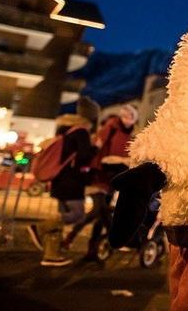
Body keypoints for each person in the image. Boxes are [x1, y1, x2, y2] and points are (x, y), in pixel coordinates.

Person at [27, 96, 98, 266]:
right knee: (77, 215)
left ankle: (51, 255)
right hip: (72, 181)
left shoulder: (65, 129)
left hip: (59, 180)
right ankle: (41, 227)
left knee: (61, 217)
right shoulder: (81, 131)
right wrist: (96, 147)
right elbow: (83, 157)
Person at [62, 104, 137, 260]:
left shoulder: (132, 135)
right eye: (125, 115)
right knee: (98, 210)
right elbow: (96, 148)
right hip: (99, 174)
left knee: (102, 216)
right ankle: (71, 235)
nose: (127, 119)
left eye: (131, 117)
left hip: (113, 178)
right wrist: (93, 166)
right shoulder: (111, 127)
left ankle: (92, 251)